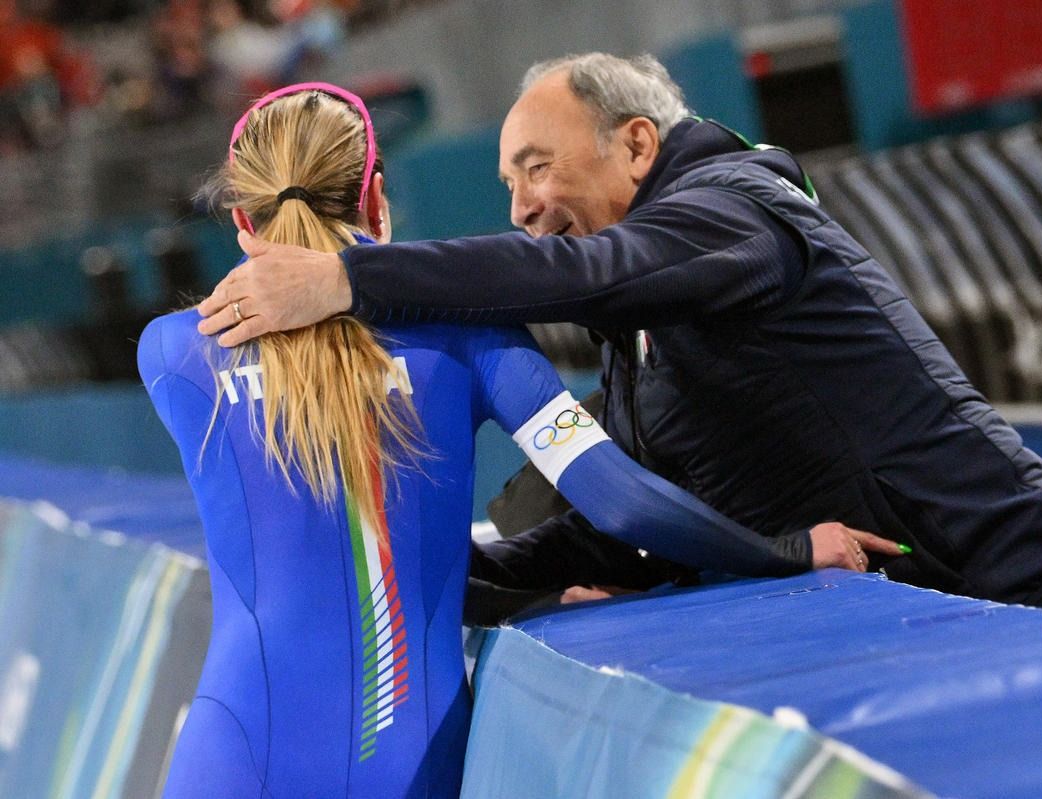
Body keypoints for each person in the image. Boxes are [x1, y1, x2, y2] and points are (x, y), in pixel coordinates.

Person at [195, 54, 1042, 621]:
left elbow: (585, 273)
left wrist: (350, 281)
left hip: (1014, 587)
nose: (522, 209)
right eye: (508, 184)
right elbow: (630, 522)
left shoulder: (734, 210)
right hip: (917, 609)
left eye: (537, 168)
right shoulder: (636, 327)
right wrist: (445, 571)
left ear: (637, 145)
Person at [141, 82, 875, 798]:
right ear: (377, 199)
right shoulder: (473, 335)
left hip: (233, 752)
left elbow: (313, 547)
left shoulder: (172, 353)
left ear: (242, 219)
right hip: (413, 755)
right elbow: (621, 502)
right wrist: (784, 551)